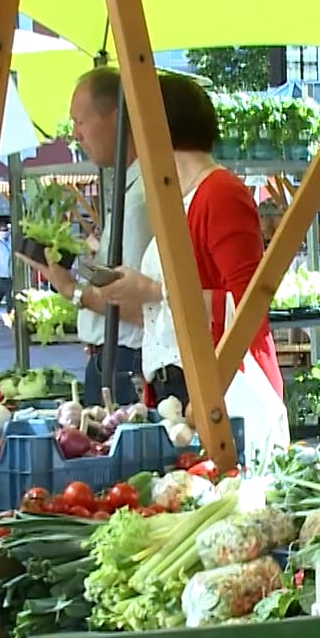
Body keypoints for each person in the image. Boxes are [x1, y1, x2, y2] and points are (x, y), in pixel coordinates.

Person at [91, 70, 285, 405]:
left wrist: (152, 291)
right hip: (180, 387)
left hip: (223, 387)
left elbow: (247, 305)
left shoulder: (219, 194)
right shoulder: (179, 199)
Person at [24, 67, 150, 405]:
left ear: (117, 117)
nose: (76, 135)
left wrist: (71, 289)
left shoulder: (139, 199)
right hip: (115, 359)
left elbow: (138, 307)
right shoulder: (132, 189)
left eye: (80, 122)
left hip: (125, 362)